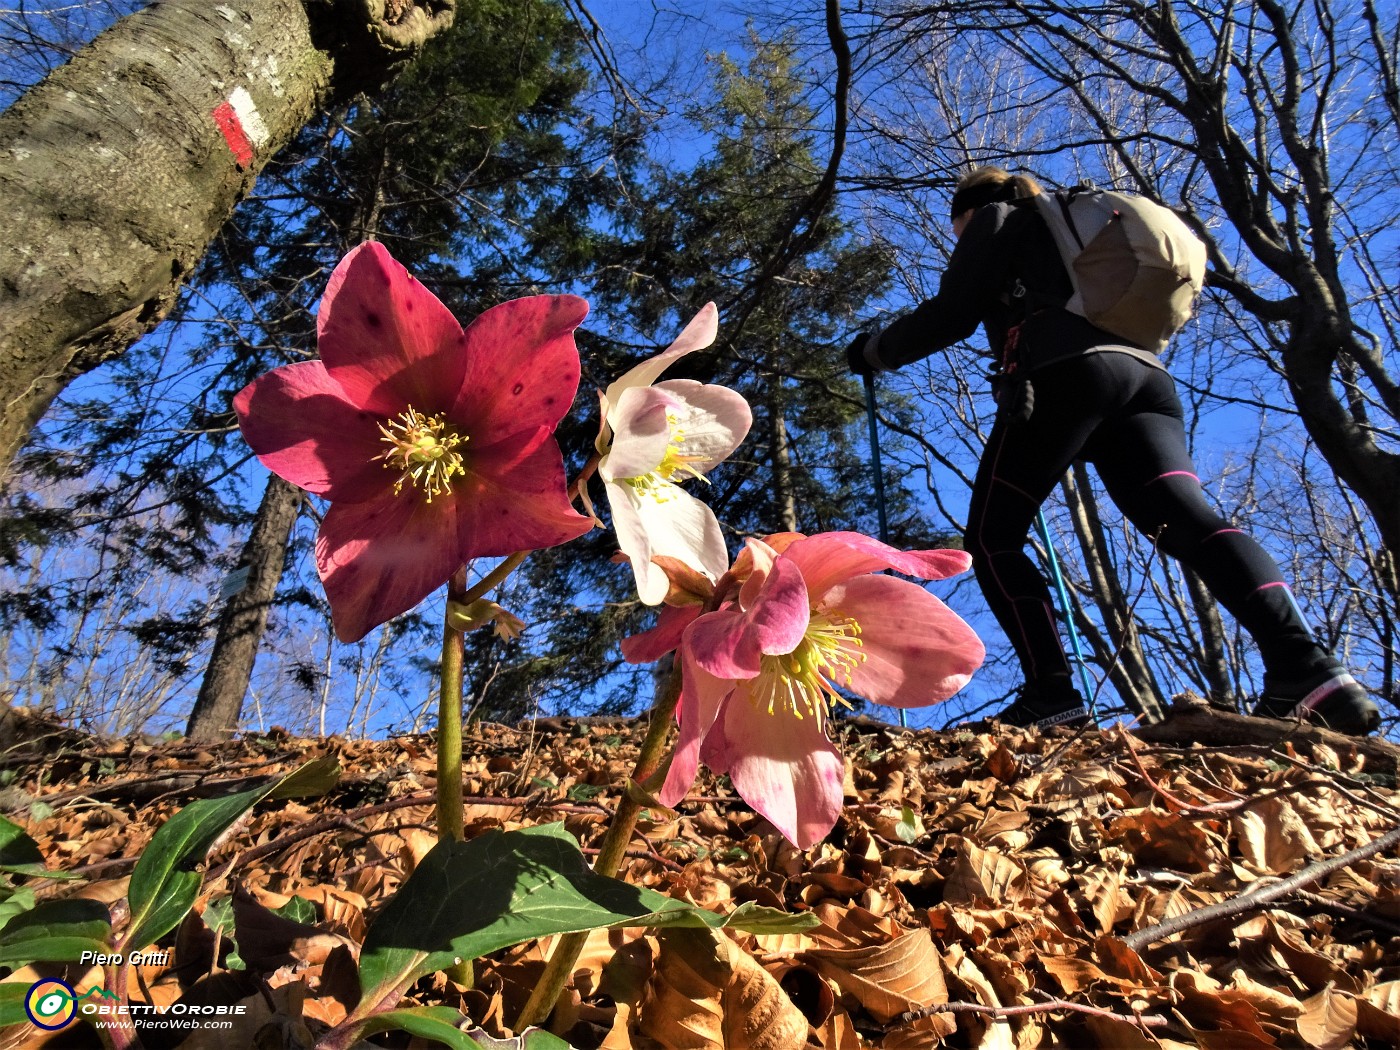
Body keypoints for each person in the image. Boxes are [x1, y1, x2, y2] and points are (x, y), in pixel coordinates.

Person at [847, 165, 1379, 735]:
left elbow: (951, 312)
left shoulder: (998, 218)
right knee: (1189, 522)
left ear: (968, 212)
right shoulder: (1072, 235)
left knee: (992, 537)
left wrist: (874, 351)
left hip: (1068, 374)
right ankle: (1308, 670)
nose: (959, 239)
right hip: (1146, 381)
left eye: (957, 230)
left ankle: (1052, 695)